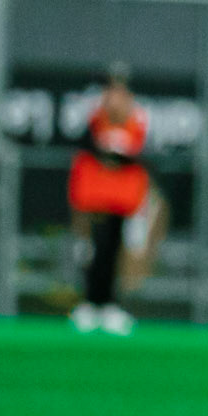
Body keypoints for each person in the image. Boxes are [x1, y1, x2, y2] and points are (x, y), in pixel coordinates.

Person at [68, 69, 150, 335]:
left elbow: (134, 155)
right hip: (97, 197)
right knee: (96, 250)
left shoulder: (136, 118)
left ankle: (109, 305)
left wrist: (116, 151)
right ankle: (91, 303)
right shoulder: (94, 117)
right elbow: (90, 147)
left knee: (114, 251)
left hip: (122, 199)